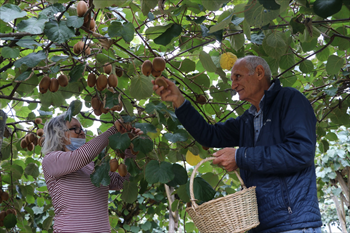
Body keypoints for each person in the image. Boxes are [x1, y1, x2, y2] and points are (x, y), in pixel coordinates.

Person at [153, 55, 322, 233]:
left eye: (238, 77)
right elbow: (210, 135)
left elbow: (300, 152)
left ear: (259, 72)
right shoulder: (248, 120)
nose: (233, 85)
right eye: (232, 79)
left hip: (292, 224)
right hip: (259, 225)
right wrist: (179, 101)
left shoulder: (290, 100)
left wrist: (240, 156)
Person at [41, 114, 142, 232]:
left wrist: (130, 148)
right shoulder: (51, 160)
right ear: (58, 134)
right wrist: (114, 129)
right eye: (75, 128)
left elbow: (122, 181)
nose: (82, 132)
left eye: (82, 129)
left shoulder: (95, 168)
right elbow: (82, 156)